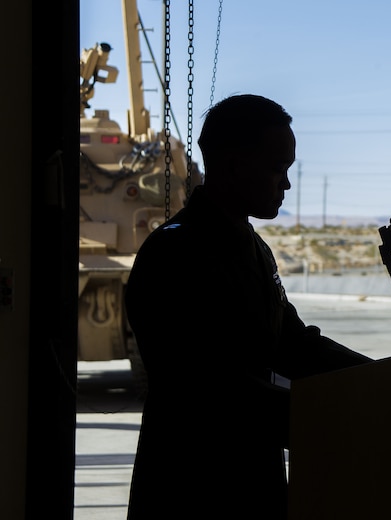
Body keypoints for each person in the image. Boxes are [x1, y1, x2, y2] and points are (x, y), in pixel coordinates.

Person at [124, 94, 373, 519]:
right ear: (235, 164)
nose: (287, 184)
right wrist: (325, 418)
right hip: (190, 484)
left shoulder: (251, 246)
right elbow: (209, 387)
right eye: (278, 168)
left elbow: (293, 343)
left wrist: (382, 377)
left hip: (252, 476)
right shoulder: (175, 254)